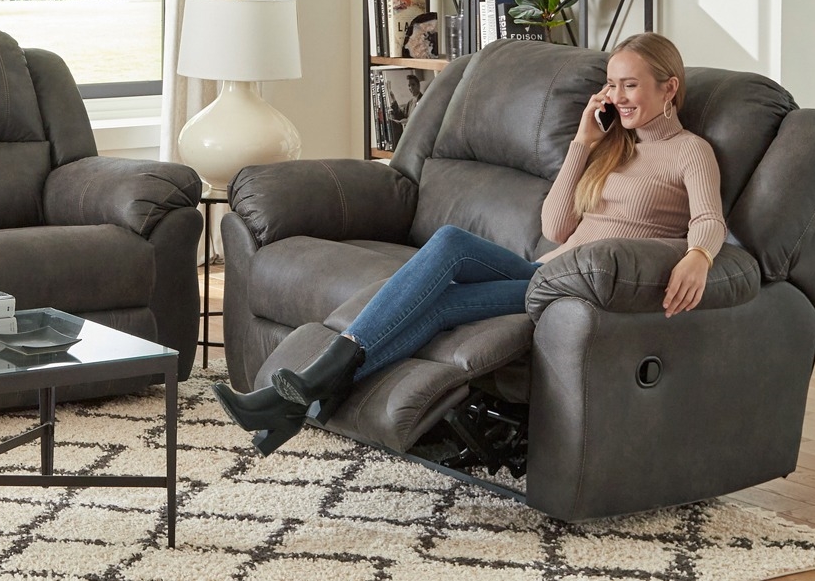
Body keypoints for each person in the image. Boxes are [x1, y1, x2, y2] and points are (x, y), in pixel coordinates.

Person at [213, 32, 725, 455]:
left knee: (452, 243)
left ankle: (308, 386)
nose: (617, 96)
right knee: (439, 304)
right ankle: (299, 400)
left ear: (669, 88)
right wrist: (582, 143)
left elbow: (708, 218)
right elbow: (556, 226)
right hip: (542, 273)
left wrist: (699, 255)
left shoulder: (690, 152)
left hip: (571, 290)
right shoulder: (611, 148)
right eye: (611, 84)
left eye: (630, 85)